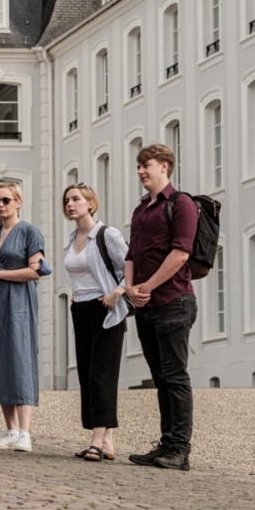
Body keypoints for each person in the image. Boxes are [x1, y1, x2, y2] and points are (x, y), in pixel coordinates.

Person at [124, 144, 198, 472]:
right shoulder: (141, 210)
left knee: (175, 377)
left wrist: (147, 287)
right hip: (145, 305)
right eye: (139, 166)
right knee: (160, 377)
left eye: (147, 165)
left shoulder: (181, 204)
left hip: (173, 302)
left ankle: (180, 449)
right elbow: (131, 254)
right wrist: (130, 288)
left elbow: (180, 254)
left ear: (165, 166)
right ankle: (166, 445)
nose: (141, 171)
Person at [0, 182, 49, 453]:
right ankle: (11, 430)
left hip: (18, 304)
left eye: (6, 200)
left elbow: (36, 271)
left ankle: (25, 433)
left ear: (18, 202)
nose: (0, 205)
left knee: (20, 359)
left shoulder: (29, 231)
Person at [61, 183, 129, 462]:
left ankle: (96, 442)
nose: (70, 204)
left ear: (90, 204)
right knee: (88, 376)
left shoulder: (107, 234)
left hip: (106, 310)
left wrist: (117, 292)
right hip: (81, 309)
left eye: (76, 199)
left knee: (102, 376)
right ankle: (108, 442)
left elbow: (132, 267)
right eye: (67, 200)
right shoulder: (72, 238)